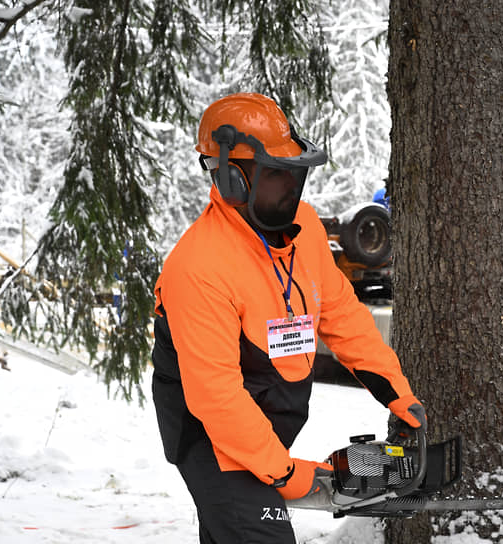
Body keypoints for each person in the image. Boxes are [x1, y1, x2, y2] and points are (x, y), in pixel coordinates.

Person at [150, 92, 426, 543]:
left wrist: (396, 391)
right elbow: (215, 397)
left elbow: (341, 315)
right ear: (230, 179)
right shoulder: (199, 267)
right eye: (276, 176)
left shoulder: (307, 228)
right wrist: (281, 473)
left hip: (268, 421)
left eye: (292, 176)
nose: (289, 190)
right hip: (213, 436)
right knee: (259, 532)